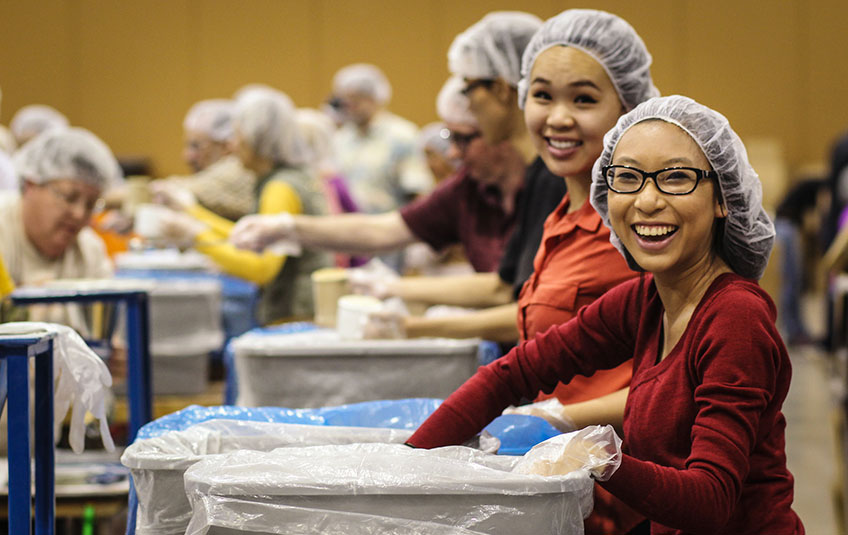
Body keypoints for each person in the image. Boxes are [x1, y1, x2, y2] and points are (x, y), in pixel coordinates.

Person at [408, 95, 804, 534]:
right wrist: (405, 464)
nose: (647, 201)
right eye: (628, 178)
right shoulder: (646, 300)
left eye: (675, 178)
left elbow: (710, 500)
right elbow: (512, 373)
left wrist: (604, 456)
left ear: (722, 199)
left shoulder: (735, 320)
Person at [231, 75, 526, 278]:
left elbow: (505, 290)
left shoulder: (400, 136)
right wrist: (288, 227)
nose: (451, 155)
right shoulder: (343, 139)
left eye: (461, 139)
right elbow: (380, 229)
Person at [154, 88, 330, 324]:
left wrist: (196, 236)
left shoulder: (281, 188)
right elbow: (249, 236)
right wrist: (190, 212)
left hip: (296, 318)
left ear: (256, 140)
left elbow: (261, 268)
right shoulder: (285, 179)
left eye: (237, 136)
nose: (232, 145)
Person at [0, 127, 121, 335]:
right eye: (69, 197)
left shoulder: (89, 251)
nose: (79, 214)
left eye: (91, 204)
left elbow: (107, 337)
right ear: (30, 185)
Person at [331, 63, 433, 215]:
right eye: (346, 101)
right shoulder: (340, 139)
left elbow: (417, 191)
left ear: (375, 98)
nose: (350, 107)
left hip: (391, 229)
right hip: (349, 228)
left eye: (356, 100)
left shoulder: (402, 135)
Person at [160, 98, 256, 222]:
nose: (187, 157)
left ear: (226, 146)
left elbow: (193, 189)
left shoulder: (239, 169)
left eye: (196, 146)